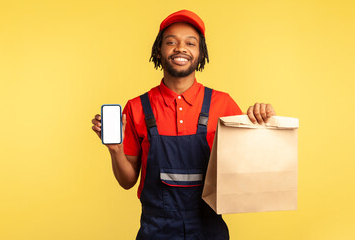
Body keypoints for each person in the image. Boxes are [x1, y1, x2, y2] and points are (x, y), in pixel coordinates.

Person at [92, 10, 276, 240]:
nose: (181, 48)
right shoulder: (137, 107)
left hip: (209, 229)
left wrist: (263, 122)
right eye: (171, 42)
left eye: (191, 43)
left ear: (200, 54)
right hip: (155, 230)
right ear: (159, 51)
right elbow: (127, 181)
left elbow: (248, 170)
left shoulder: (223, 103)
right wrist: (115, 150)